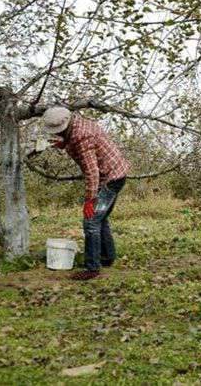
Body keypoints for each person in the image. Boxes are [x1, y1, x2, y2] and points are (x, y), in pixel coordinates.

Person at [42, 107, 131, 281]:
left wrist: (90, 199)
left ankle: (92, 268)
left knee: (90, 221)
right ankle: (107, 257)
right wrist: (64, 144)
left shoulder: (81, 136)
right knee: (100, 219)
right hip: (117, 172)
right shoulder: (79, 122)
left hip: (110, 178)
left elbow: (92, 172)